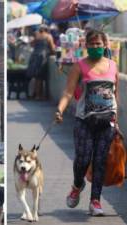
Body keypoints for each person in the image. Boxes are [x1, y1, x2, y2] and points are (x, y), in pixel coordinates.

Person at [55, 29, 119, 216]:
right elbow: (68, 92)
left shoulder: (113, 66)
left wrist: (117, 123)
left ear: (105, 45)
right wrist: (60, 110)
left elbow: (115, 96)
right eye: (91, 44)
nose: (95, 47)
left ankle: (95, 201)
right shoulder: (79, 67)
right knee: (83, 158)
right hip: (84, 120)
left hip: (107, 121)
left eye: (98, 44)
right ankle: (77, 185)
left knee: (100, 161)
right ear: (86, 46)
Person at [26, 24, 56, 100]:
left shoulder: (37, 36)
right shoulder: (48, 36)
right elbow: (52, 48)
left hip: (35, 56)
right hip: (43, 57)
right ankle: (38, 96)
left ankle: (36, 94)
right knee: (40, 77)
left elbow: (32, 45)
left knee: (36, 77)